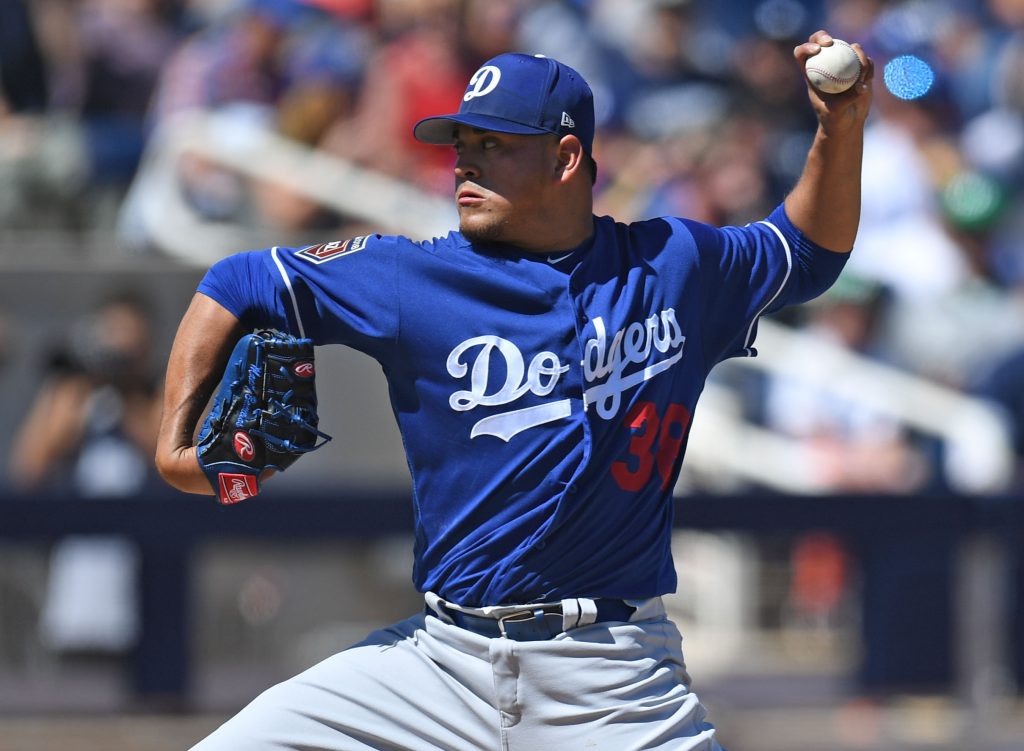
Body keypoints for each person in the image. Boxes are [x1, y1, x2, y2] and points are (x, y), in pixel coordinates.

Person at [156, 31, 873, 751]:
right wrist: (175, 442)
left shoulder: (672, 265)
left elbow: (808, 252)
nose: (464, 158)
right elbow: (237, 283)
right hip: (438, 665)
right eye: (462, 140)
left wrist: (839, 125)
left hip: (612, 673)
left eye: (495, 143)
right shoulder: (412, 278)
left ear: (566, 158)